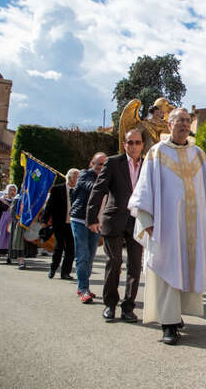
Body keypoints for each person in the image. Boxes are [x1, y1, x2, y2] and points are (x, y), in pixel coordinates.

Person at [128, 108, 206, 345]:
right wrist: (147, 221)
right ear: (169, 125)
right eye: (179, 120)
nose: (184, 124)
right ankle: (168, 324)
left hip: (194, 226)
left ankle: (177, 315)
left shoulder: (199, 154)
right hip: (167, 227)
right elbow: (144, 190)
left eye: (187, 120)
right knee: (167, 270)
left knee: (186, 269)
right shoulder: (156, 153)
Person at [87, 129, 144, 323]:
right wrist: (92, 217)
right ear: (125, 144)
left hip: (138, 222)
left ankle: (128, 307)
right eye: (130, 142)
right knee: (114, 262)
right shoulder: (113, 162)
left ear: (142, 145)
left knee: (135, 266)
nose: (134, 146)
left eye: (137, 142)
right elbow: (98, 189)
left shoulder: (148, 165)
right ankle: (110, 304)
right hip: (114, 220)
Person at [70, 152, 106, 304]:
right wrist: (108, 186)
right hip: (79, 219)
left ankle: (83, 284)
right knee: (82, 254)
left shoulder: (107, 177)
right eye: (97, 163)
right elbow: (91, 188)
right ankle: (83, 288)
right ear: (92, 164)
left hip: (96, 222)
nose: (99, 167)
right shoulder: (84, 175)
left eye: (103, 164)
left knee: (90, 256)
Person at [41, 168, 79, 280]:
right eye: (77, 177)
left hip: (73, 225)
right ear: (70, 177)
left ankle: (65, 273)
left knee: (71, 250)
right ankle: (53, 269)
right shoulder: (57, 189)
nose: (79, 179)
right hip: (60, 223)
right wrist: (44, 221)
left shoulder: (79, 190)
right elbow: (49, 206)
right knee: (59, 247)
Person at [8, 189, 38, 269]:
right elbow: (13, 212)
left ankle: (24, 259)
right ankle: (21, 262)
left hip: (29, 224)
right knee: (19, 243)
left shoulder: (32, 199)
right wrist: (18, 219)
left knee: (28, 244)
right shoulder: (17, 199)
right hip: (19, 224)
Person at [0, 184, 17, 263]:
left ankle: (9, 256)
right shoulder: (1, 200)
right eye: (11, 190)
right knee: (1, 237)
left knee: (10, 238)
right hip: (3, 221)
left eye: (14, 190)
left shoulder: (16, 200)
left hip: (12, 221)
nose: (12, 191)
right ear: (7, 191)